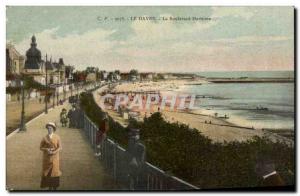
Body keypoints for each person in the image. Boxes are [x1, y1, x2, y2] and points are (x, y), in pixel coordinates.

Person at [40, 122, 62, 190]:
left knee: (54, 172)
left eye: (51, 128)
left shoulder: (57, 137)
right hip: (47, 158)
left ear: (53, 129)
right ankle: (49, 187)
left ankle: (55, 188)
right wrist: (47, 149)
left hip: (55, 158)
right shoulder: (44, 138)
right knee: (48, 173)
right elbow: (40, 147)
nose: (49, 130)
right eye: (48, 128)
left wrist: (54, 152)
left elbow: (60, 147)